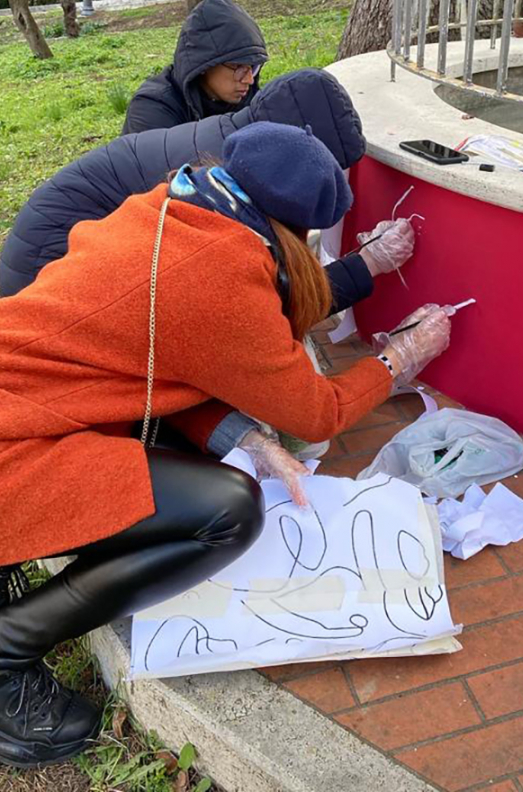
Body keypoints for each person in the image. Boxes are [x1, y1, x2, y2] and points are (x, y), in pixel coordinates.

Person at [0, 122, 451, 768]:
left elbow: (169, 361)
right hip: (14, 451)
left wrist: (251, 440)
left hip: (26, 412)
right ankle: (9, 647)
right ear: (298, 234)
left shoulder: (178, 204)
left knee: (213, 477)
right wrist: (400, 357)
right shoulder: (224, 276)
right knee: (230, 509)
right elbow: (318, 412)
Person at [0, 69, 368, 302]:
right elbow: (259, 308)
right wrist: (365, 267)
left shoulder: (238, 145)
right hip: (44, 275)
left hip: (59, 239)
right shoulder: (218, 185)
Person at [122, 0, 268, 135]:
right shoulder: (152, 109)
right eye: (238, 67)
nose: (249, 79)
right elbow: (157, 160)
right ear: (206, 64)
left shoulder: (251, 101)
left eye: (253, 67)